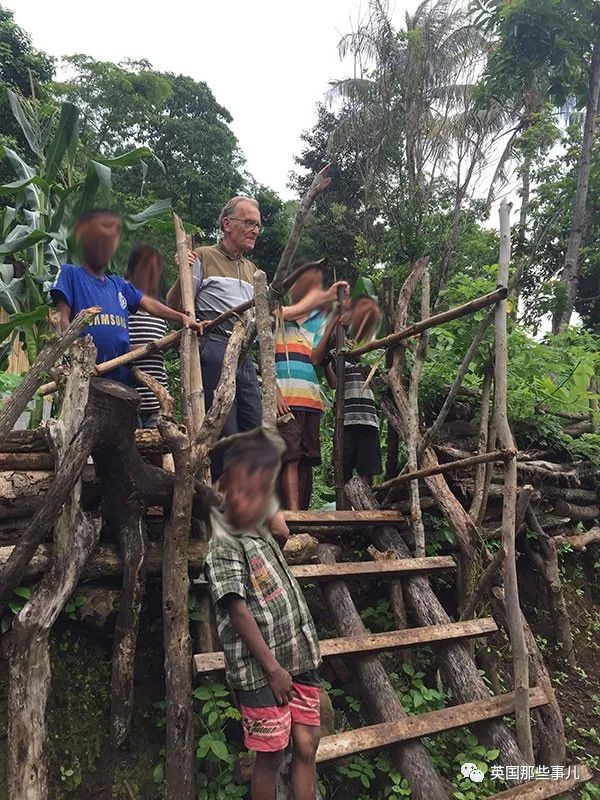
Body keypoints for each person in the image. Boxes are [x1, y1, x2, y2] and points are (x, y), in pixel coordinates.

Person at [205, 430, 321, 800]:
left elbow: (283, 530)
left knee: (307, 744)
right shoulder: (224, 544)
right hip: (262, 670)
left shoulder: (263, 533)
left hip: (298, 654)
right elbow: (238, 612)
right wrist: (273, 670)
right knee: (271, 753)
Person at [167, 196, 263, 479]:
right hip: (216, 346)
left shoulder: (252, 271)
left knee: (253, 428)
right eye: (248, 223)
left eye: (257, 225)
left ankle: (249, 502)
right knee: (225, 429)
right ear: (227, 224)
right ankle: (224, 502)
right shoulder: (204, 257)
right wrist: (182, 272)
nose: (255, 230)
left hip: (245, 356)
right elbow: (177, 307)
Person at [51, 209, 202, 385]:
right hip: (85, 375)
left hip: (120, 377)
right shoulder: (70, 274)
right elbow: (62, 320)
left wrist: (182, 317)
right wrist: (79, 358)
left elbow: (151, 305)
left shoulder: (119, 284)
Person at [275, 267, 348, 510]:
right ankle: (293, 513)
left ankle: (303, 514)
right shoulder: (276, 317)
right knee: (290, 457)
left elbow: (316, 358)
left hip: (310, 399)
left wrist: (332, 323)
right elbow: (261, 360)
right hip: (285, 400)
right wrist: (274, 393)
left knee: (306, 458)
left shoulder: (318, 321)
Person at [315, 295, 383, 497]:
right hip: (345, 420)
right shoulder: (337, 352)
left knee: (366, 469)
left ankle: (366, 505)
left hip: (368, 419)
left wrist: (357, 351)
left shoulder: (372, 347)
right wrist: (328, 362)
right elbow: (335, 384)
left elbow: (376, 380)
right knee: (343, 467)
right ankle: (344, 509)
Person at [126, 245, 168, 429]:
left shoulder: (161, 314)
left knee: (157, 453)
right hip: (129, 399)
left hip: (157, 400)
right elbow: (118, 350)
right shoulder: (123, 311)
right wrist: (152, 346)